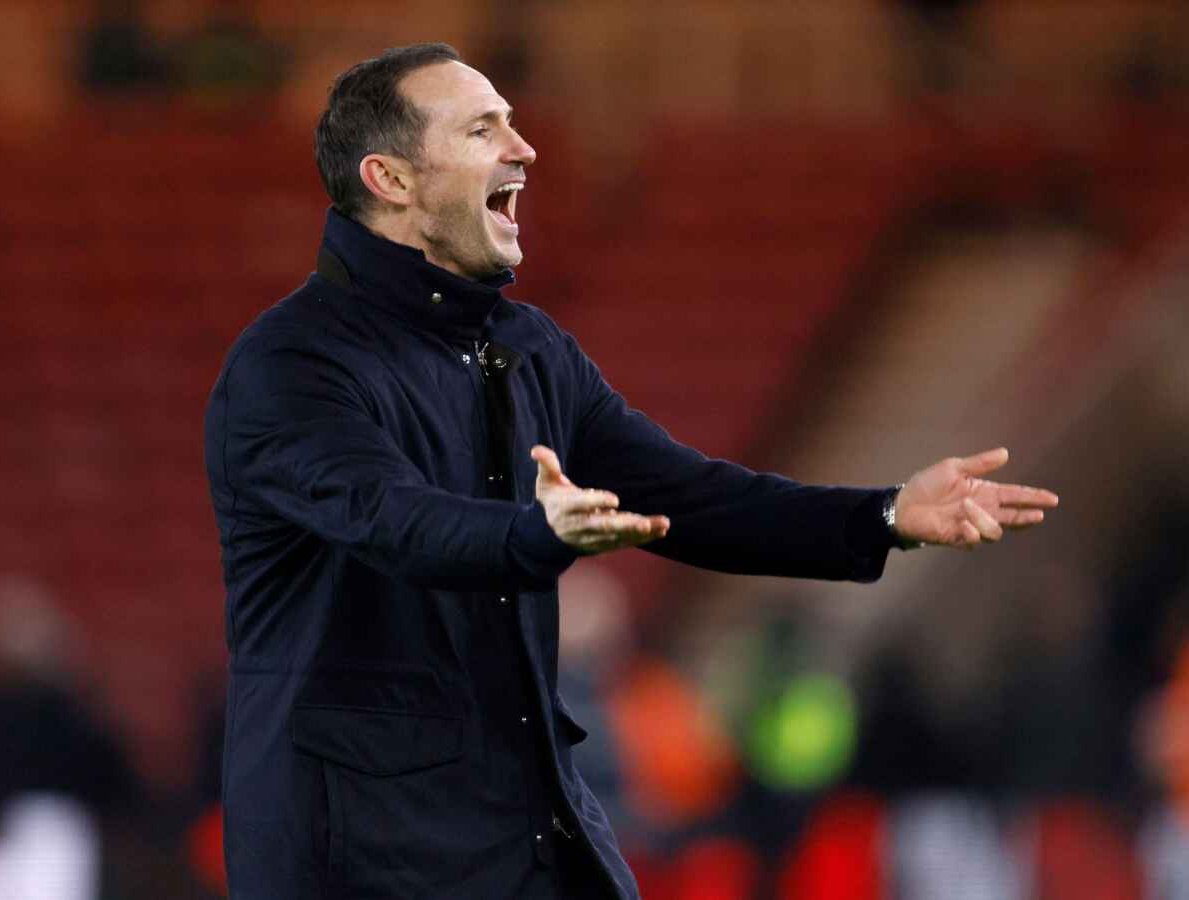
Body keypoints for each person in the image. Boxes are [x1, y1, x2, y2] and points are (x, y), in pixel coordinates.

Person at [203, 42, 1059, 900]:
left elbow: (692, 496)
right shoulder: (292, 365)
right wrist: (535, 535)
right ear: (390, 180)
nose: (523, 147)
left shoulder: (528, 349)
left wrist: (883, 516)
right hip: (357, 858)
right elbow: (394, 521)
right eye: (481, 128)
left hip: (523, 835)